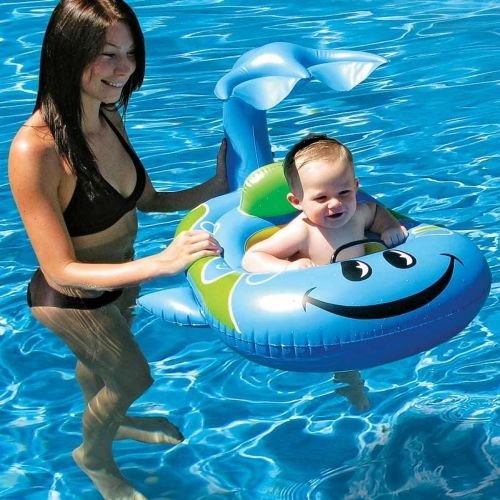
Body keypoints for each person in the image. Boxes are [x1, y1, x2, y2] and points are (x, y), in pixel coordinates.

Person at [8, 1, 228, 498]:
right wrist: (162, 264)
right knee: (132, 379)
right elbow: (60, 269)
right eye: (108, 54)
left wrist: (214, 186)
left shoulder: (108, 117)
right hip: (73, 299)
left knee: (101, 366)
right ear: (69, 53)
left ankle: (116, 420)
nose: (124, 68)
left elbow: (147, 200)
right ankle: (94, 457)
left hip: (123, 277)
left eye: (130, 53)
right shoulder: (35, 150)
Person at [242, 134, 408, 272]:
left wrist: (389, 227)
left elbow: (376, 211)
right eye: (321, 198)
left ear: (355, 187)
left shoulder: (358, 214)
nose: (335, 203)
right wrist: (288, 267)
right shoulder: (303, 231)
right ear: (297, 201)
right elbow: (253, 257)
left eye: (344, 192)